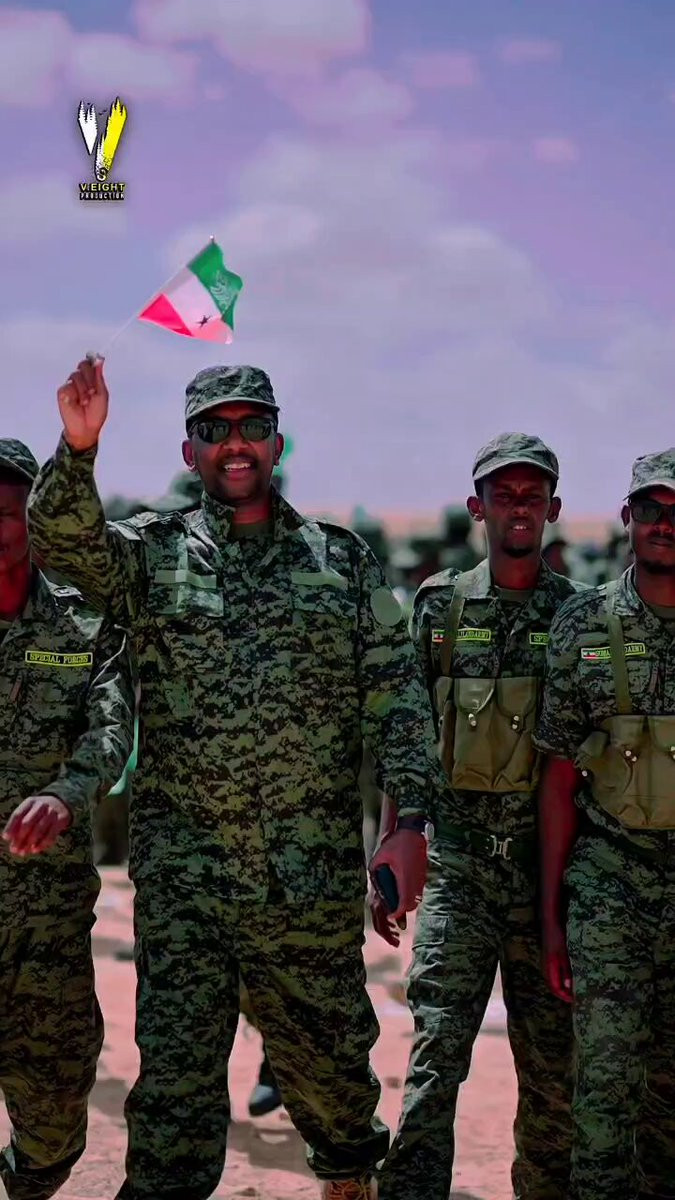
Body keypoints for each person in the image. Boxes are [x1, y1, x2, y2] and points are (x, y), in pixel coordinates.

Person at [27, 358, 435, 1200]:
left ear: (277, 442)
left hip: (306, 885)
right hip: (187, 888)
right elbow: (61, 543)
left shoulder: (341, 562)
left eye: (252, 426)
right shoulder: (152, 554)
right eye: (215, 430)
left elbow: (396, 700)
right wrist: (78, 447)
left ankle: (347, 1180)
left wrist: (408, 824)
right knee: (173, 1101)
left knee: (332, 1085)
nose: (235, 443)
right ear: (191, 449)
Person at [376, 433, 581, 1200]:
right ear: (477, 507)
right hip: (458, 870)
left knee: (552, 1074)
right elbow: (406, 734)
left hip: (543, 874)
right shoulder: (438, 606)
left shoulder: (578, 617)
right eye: (504, 494)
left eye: (532, 495)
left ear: (553, 509)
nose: (518, 508)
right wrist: (393, 846)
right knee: (434, 1059)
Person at [535, 448, 675, 1200]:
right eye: (651, 508)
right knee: (603, 1092)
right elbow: (558, 778)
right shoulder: (583, 624)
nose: (664, 523)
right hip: (611, 884)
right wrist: (553, 919)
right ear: (627, 517)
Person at [0, 438, 133, 1199]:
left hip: (46, 913)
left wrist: (67, 792)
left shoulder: (83, 624)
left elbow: (111, 729)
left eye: (8, 511)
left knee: (53, 1123)